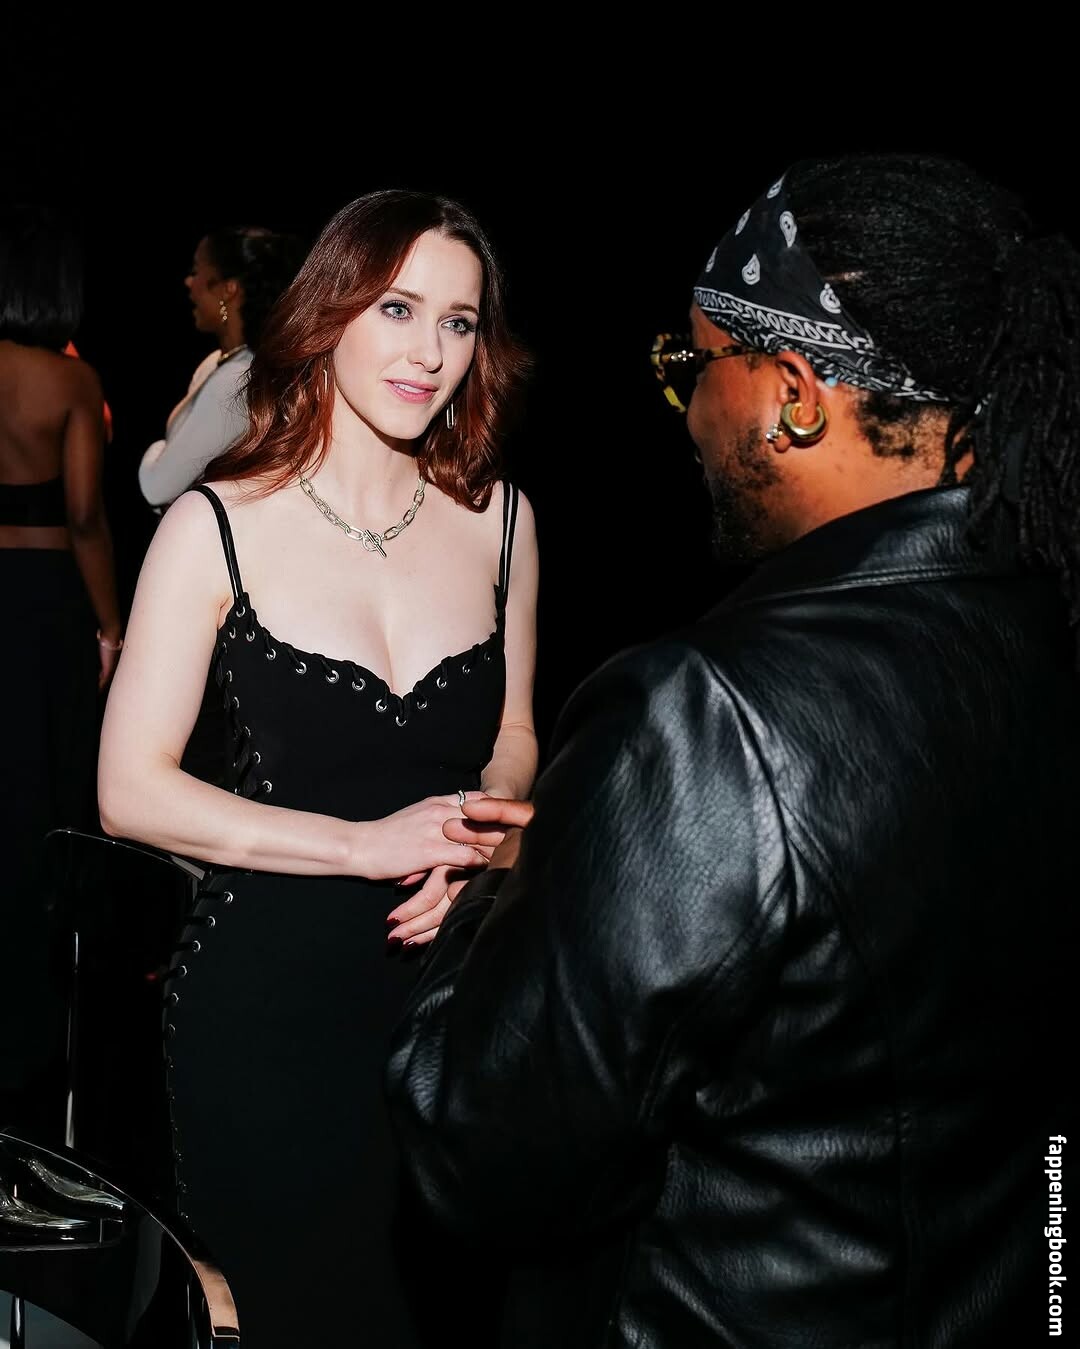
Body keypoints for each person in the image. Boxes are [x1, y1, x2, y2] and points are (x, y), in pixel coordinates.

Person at [384, 152, 1080, 1348]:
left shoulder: (706, 717)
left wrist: (507, 894)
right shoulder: (1047, 629)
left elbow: (483, 1155)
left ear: (794, 393)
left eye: (693, 367)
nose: (690, 416)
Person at [97, 187, 538, 1347]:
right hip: (265, 1004)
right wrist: (365, 843)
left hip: (449, 1000)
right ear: (330, 309)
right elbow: (129, 789)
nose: (429, 350)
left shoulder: (501, 520)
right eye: (397, 307)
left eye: (458, 320)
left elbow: (514, 734)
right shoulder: (216, 524)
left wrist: (484, 832)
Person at [0, 201, 122, 1137]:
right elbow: (84, 516)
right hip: (45, 606)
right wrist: (112, 625)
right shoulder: (70, 382)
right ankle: (31, 1035)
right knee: (43, 803)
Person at [137, 224, 308, 510]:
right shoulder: (220, 363)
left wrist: (162, 448)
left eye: (197, 272)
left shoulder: (238, 379)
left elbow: (156, 487)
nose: (189, 282)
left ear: (229, 289)